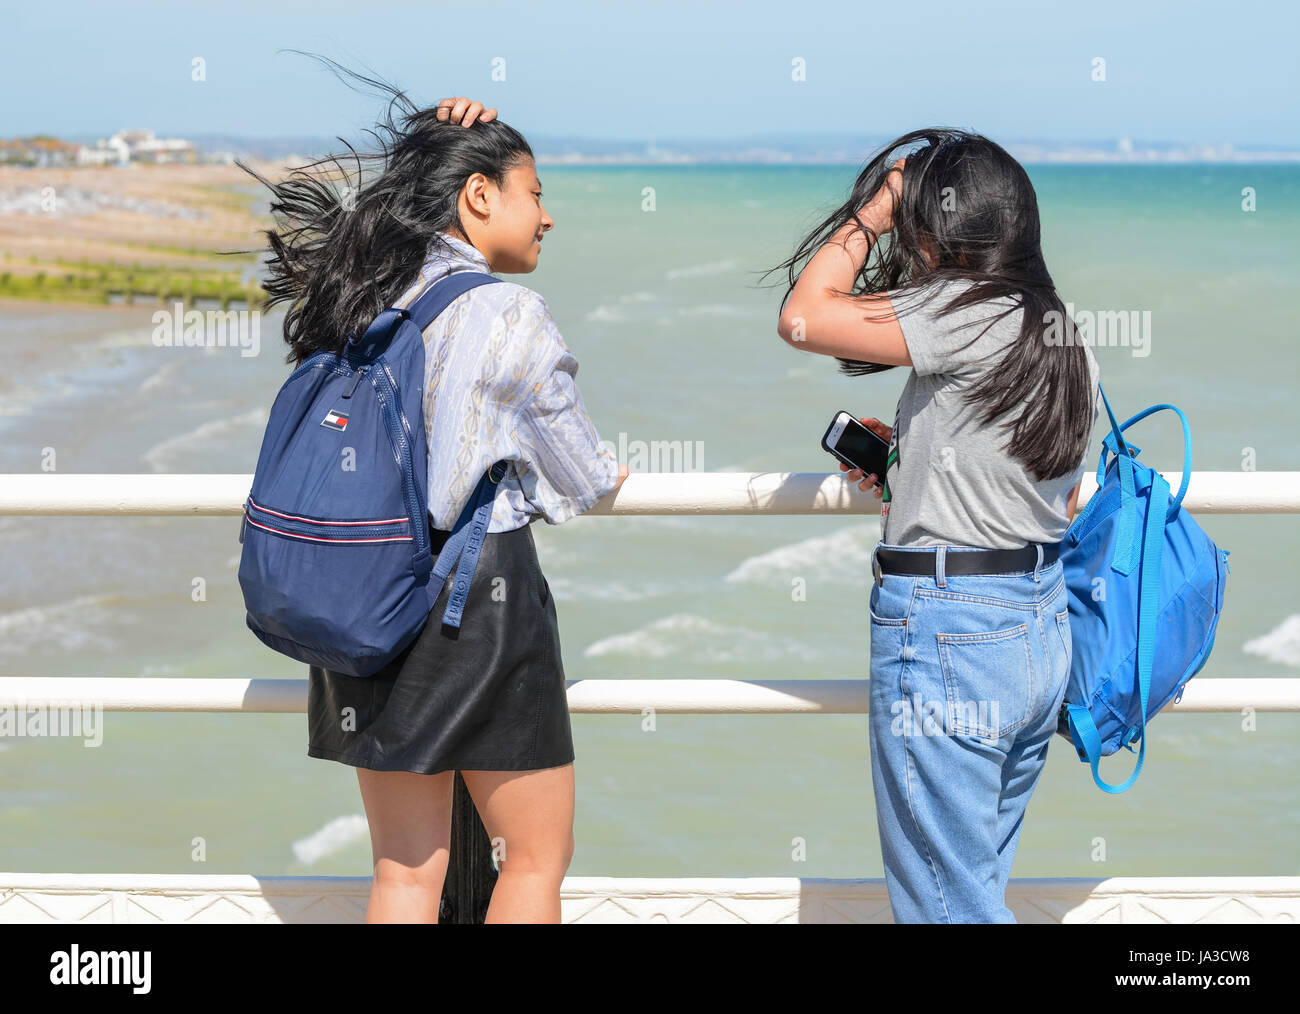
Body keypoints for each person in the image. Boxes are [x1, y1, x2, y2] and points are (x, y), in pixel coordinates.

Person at [236, 70, 627, 923]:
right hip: (477, 600)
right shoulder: (510, 312)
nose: (547, 214)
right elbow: (586, 477)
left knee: (404, 877)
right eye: (534, 192)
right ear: (479, 196)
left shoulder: (363, 292)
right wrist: (608, 469)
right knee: (533, 857)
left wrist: (432, 136)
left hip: (368, 594)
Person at [770, 129, 1100, 923]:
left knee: (944, 910)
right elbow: (1020, 488)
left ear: (939, 226)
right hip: (1036, 629)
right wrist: (907, 465)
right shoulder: (1055, 331)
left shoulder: (962, 304)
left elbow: (805, 317)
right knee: (971, 889)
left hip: (952, 634)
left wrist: (874, 209)